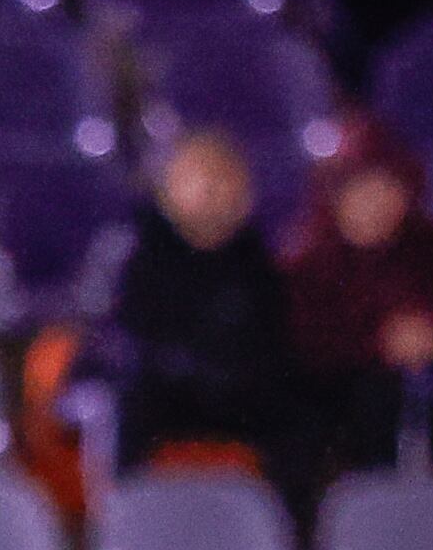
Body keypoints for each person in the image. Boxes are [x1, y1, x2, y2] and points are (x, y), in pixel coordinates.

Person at [288, 122, 433, 481]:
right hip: (341, 407)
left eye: (389, 189)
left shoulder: (429, 250)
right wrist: (379, 345)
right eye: (362, 190)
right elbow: (307, 349)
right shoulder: (310, 261)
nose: (376, 204)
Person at [102, 131, 299, 478]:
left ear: (246, 194)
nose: (209, 189)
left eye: (222, 177)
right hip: (165, 395)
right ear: (167, 190)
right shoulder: (138, 260)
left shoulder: (262, 268)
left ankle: (283, 529)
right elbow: (125, 342)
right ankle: (125, 520)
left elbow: (274, 349)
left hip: (241, 398)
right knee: (127, 405)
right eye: (196, 177)